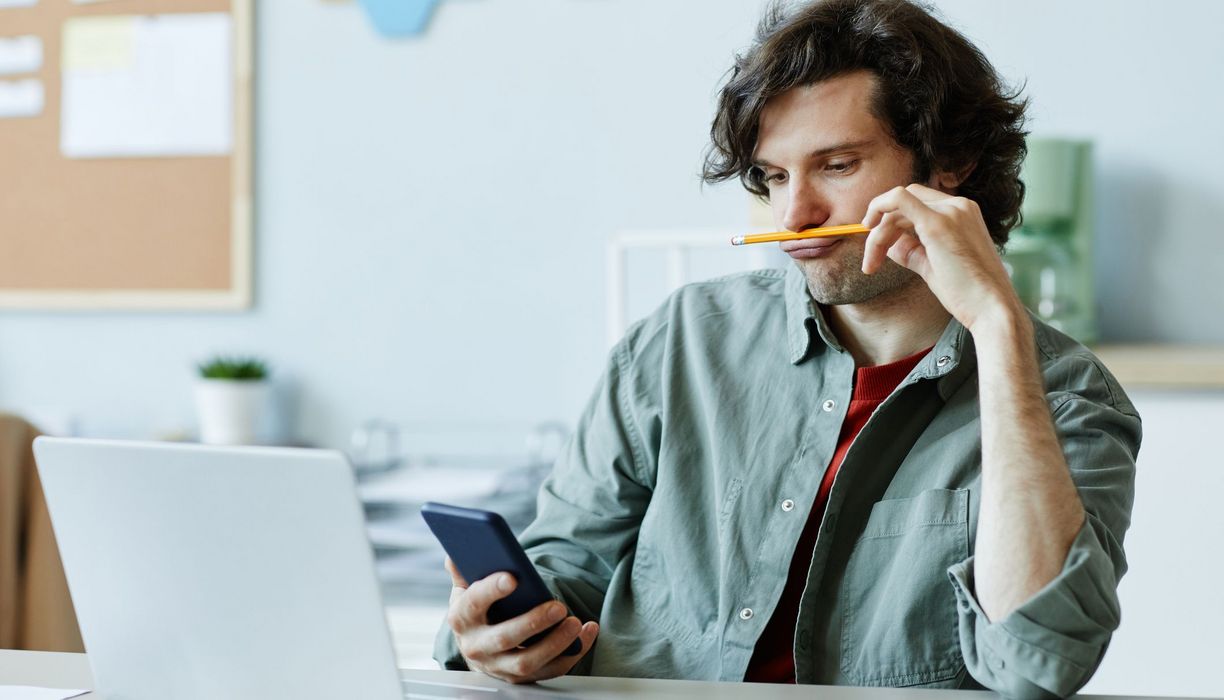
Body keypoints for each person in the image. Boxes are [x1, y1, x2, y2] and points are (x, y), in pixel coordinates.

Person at [435, 1, 1141, 697]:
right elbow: (569, 563)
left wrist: (997, 326)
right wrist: (495, 631)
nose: (793, 215)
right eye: (774, 177)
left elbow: (1037, 662)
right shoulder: (684, 338)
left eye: (835, 165)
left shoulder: (1069, 396)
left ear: (949, 163)